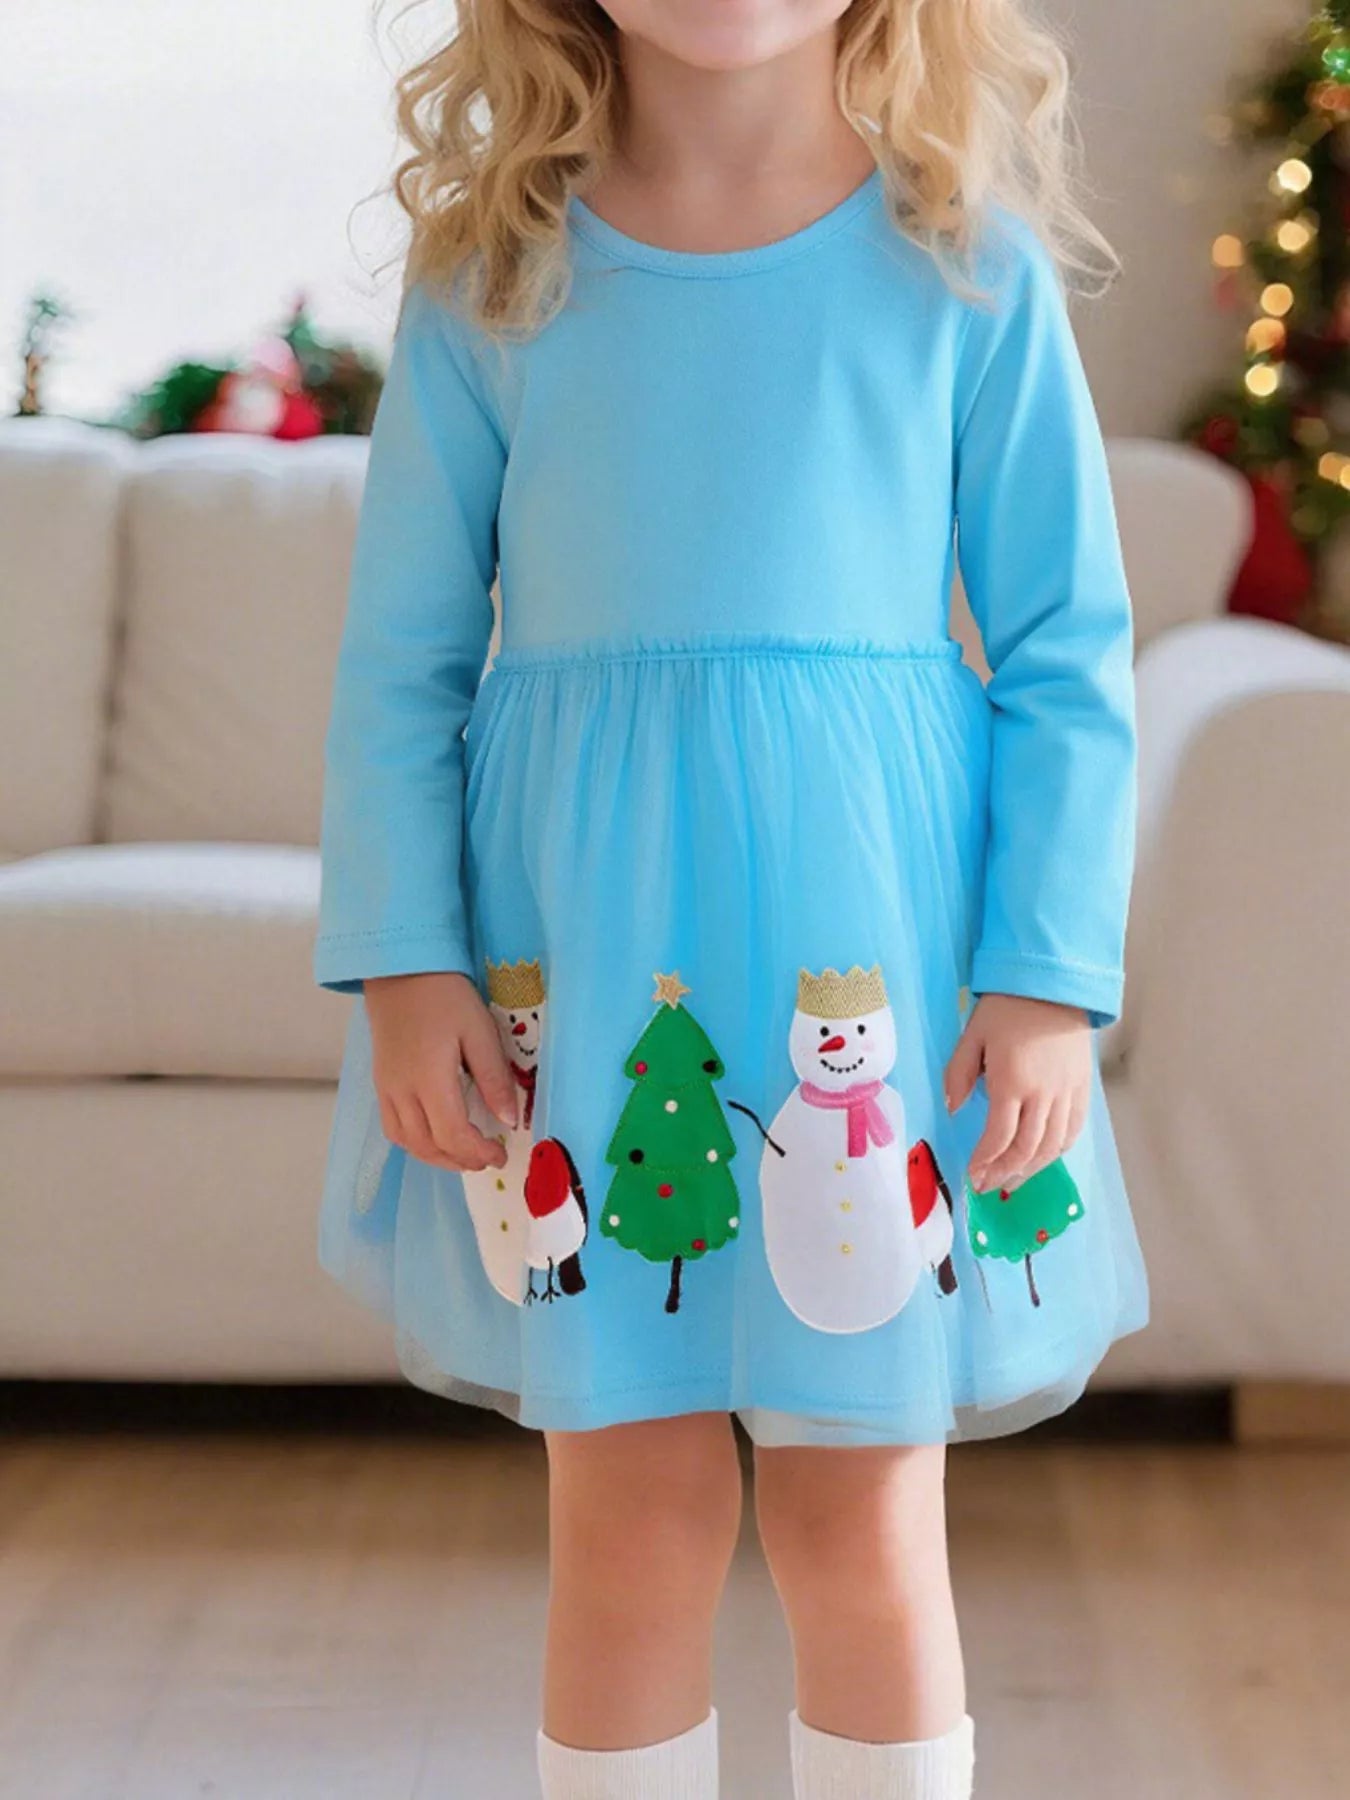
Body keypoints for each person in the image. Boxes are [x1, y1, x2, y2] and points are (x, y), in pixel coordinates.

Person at [314, 2, 1148, 1794]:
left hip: (882, 967)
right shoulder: (494, 280)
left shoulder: (964, 265)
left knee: (863, 1510)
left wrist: (1046, 974)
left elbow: (1068, 652)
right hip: (585, 956)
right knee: (628, 1507)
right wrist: (403, 959)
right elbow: (400, 664)